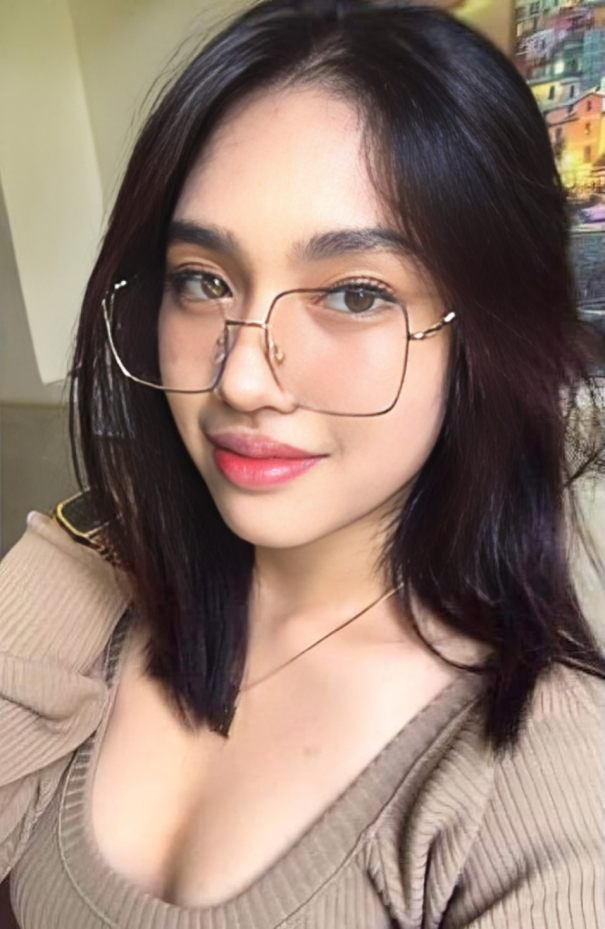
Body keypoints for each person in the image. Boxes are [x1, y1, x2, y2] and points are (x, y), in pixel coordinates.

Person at [1, 1, 604, 926]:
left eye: (354, 294)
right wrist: (78, 553)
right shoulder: (90, 578)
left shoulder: (533, 778)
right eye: (202, 280)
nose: (241, 377)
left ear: (486, 334)